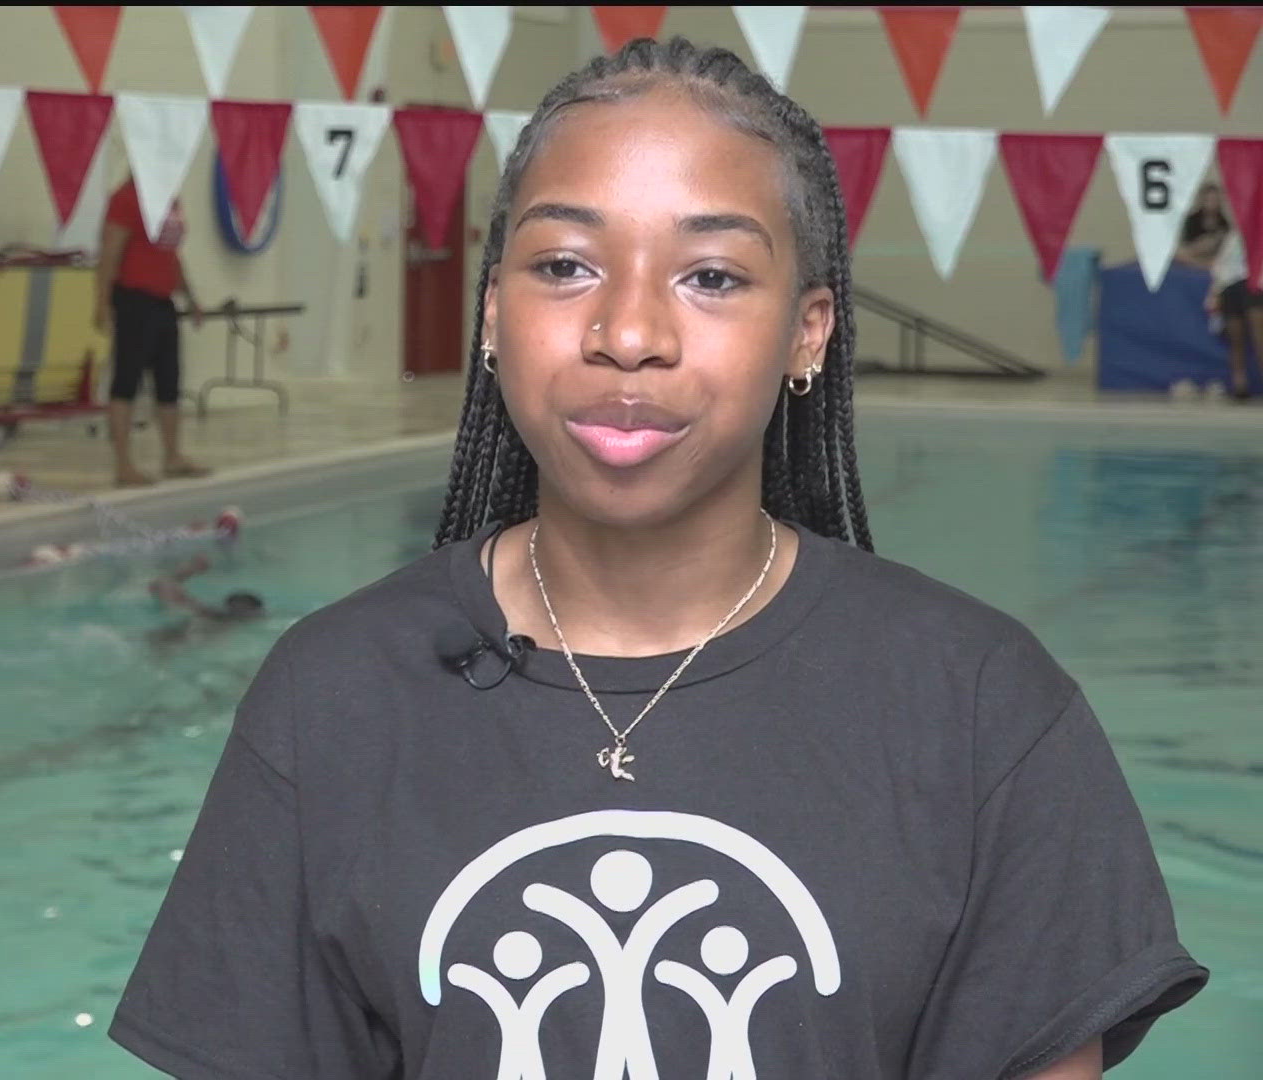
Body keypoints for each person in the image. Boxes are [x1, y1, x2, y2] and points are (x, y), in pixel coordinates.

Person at [109, 36, 1206, 1080]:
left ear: (810, 330)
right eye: (567, 264)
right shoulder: (333, 697)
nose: (629, 332)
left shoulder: (979, 709)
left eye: (712, 276)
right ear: (492, 315)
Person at [95, 175, 212, 487]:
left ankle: (172, 456)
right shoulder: (125, 197)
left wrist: (190, 296)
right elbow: (110, 252)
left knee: (169, 381)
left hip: (163, 301)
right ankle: (123, 465)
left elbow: (171, 254)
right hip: (134, 299)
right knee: (126, 382)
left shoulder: (169, 195)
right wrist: (102, 304)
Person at [1182, 182, 1260, 400]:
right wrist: (1215, 293)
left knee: (1258, 336)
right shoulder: (1233, 236)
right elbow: (1221, 267)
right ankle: (1239, 382)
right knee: (1235, 339)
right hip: (1232, 287)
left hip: (1255, 288)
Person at [145, 553, 265, 652]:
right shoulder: (226, 618)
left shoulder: (217, 614)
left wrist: (189, 571)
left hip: (172, 641)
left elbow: (163, 587)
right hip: (179, 641)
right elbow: (162, 587)